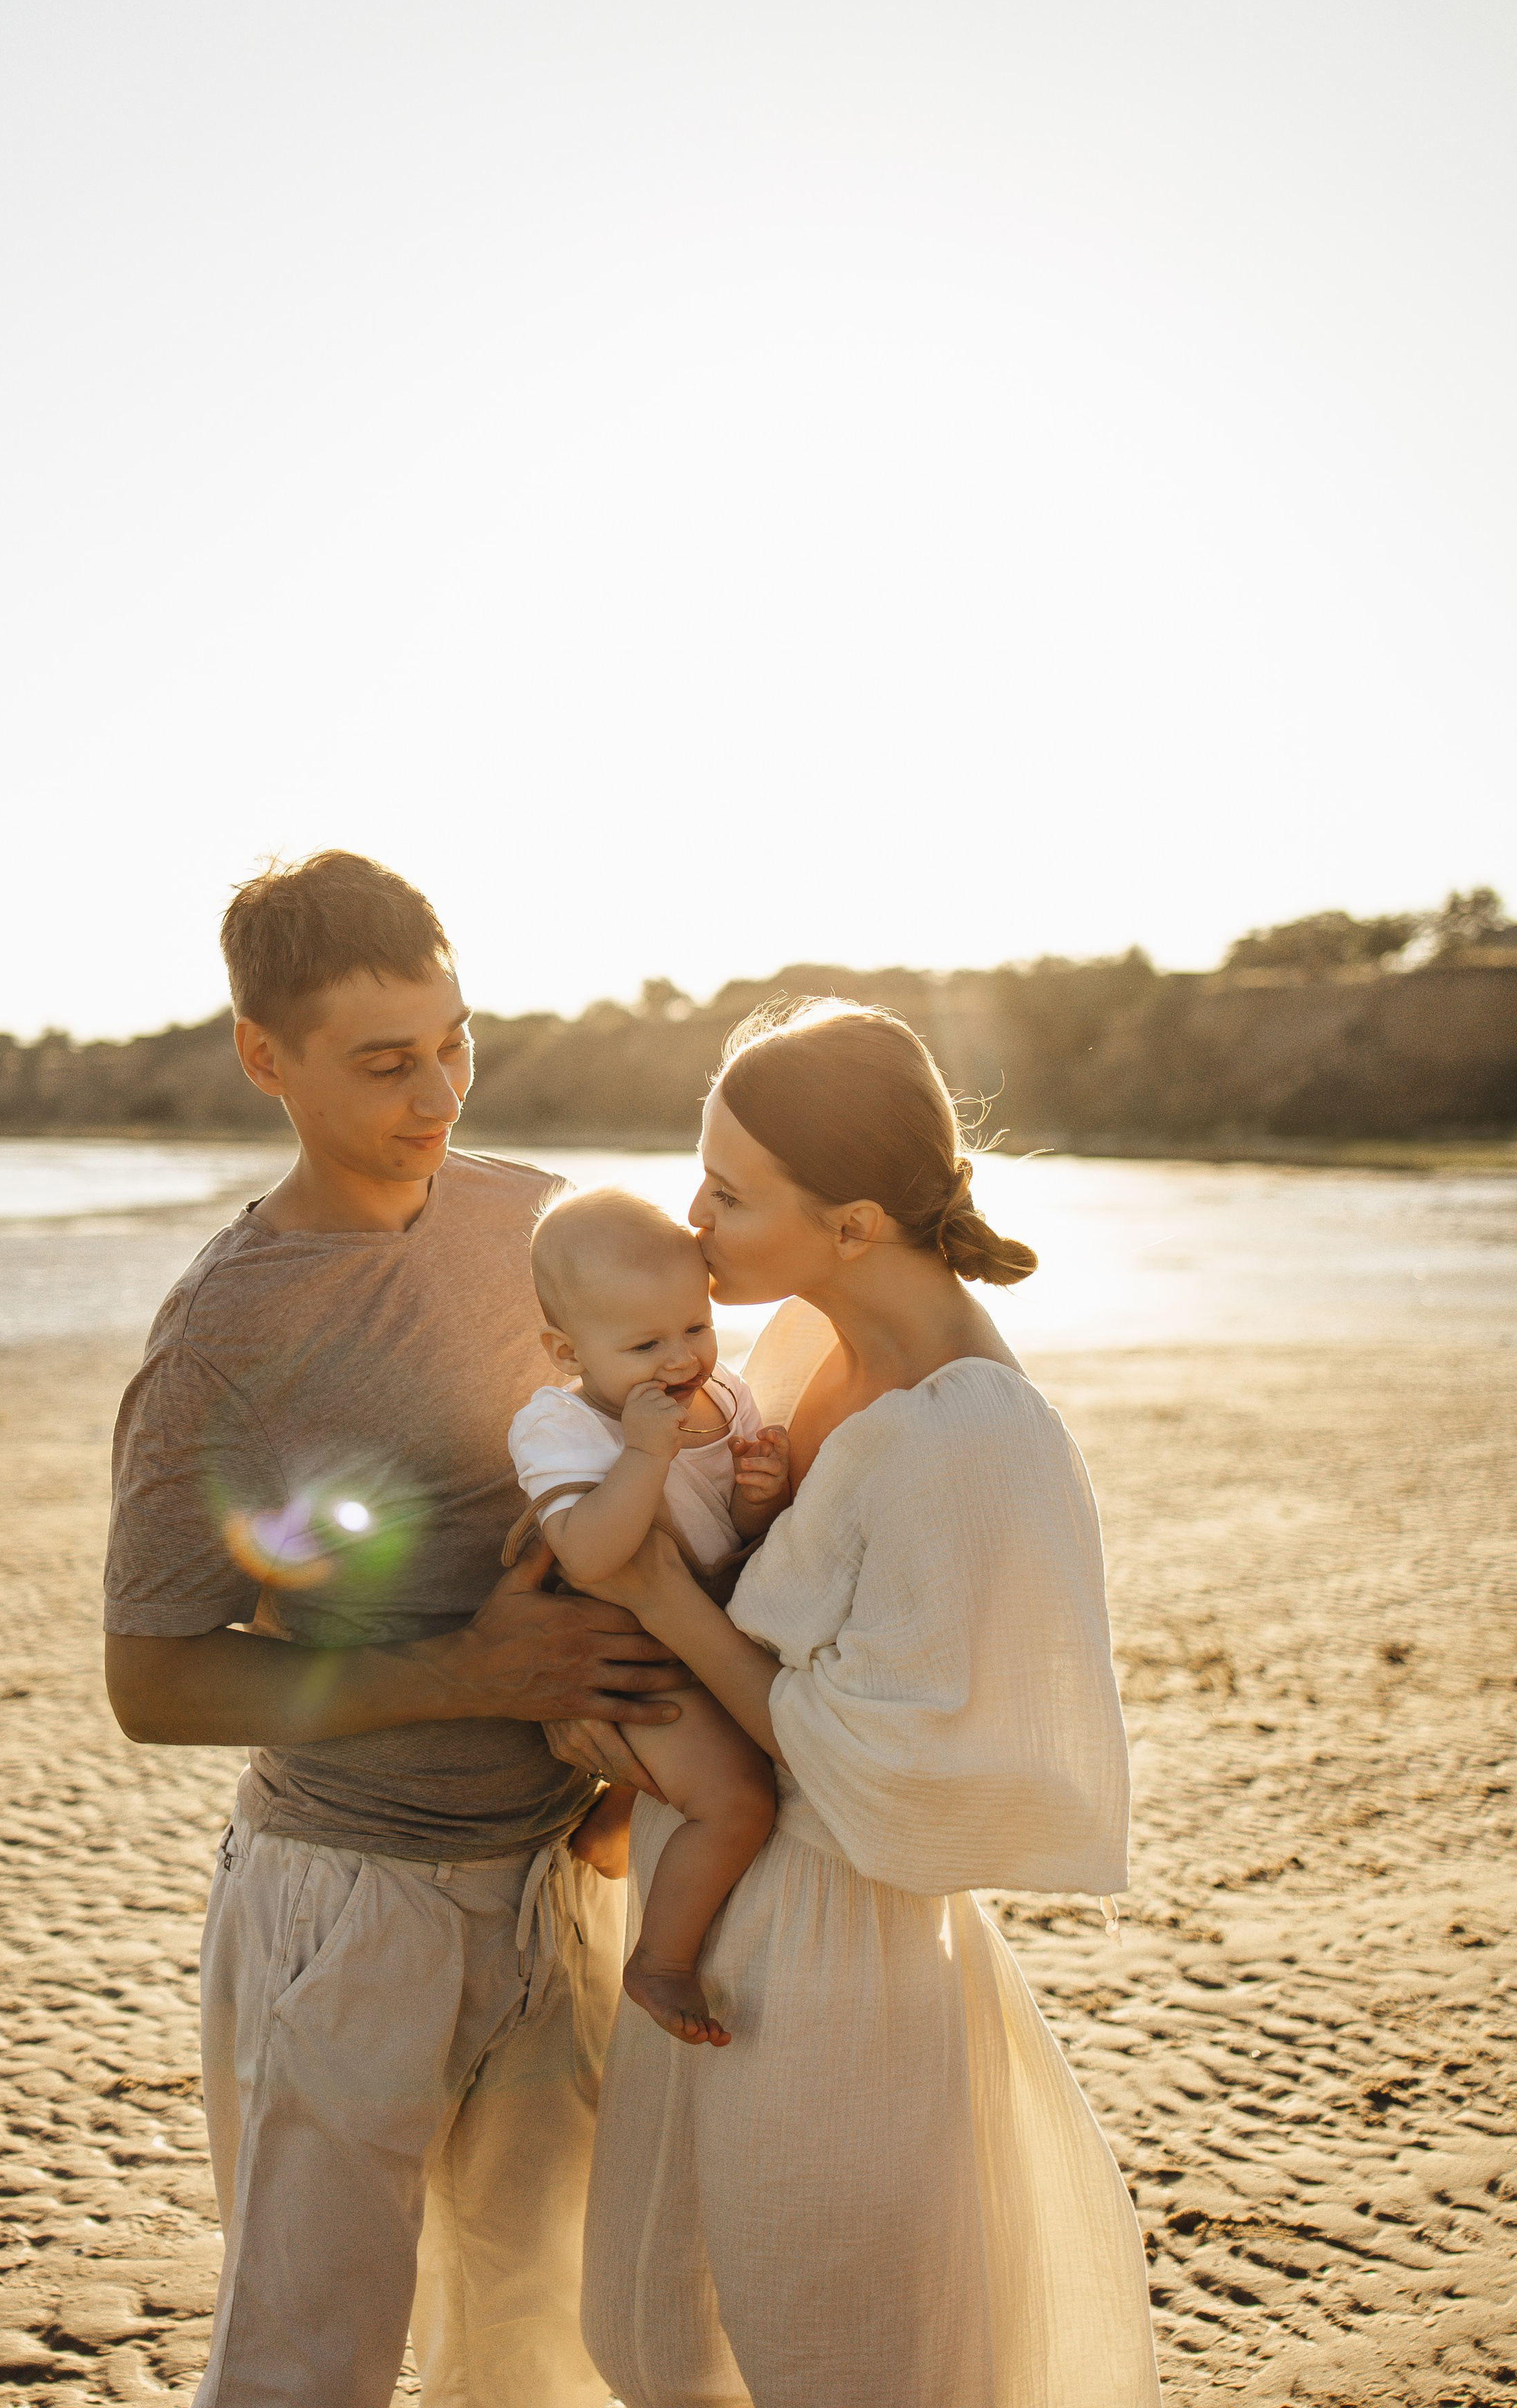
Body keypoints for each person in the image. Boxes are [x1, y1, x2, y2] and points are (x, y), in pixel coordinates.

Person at [102, 849, 686, 2408]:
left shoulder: (539, 1225)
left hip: (558, 1891)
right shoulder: (224, 1329)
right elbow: (152, 1677)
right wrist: (468, 1668)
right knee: (307, 2365)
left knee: (540, 2358)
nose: (437, 1093)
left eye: (454, 1039)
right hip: (343, 1909)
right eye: (384, 1062)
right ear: (262, 1058)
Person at [571, 999, 1163, 2408]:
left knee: (825, 2342)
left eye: (725, 1192)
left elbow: (855, 1756)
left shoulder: (968, 1433)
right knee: (665, 2329)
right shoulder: (787, 1356)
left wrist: (657, 1604)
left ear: (847, 1225)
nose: (690, 1220)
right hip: (718, 1910)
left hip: (827, 1960)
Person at [508, 1188, 790, 2046]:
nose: (680, 1359)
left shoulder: (725, 1395)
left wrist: (756, 1498)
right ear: (567, 1350)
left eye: (694, 1328)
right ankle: (661, 1960)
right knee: (738, 1801)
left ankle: (616, 1820)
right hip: (631, 1655)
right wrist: (639, 1455)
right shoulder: (560, 1426)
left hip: (700, 1629)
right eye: (643, 1344)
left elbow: (721, 1539)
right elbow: (590, 1556)